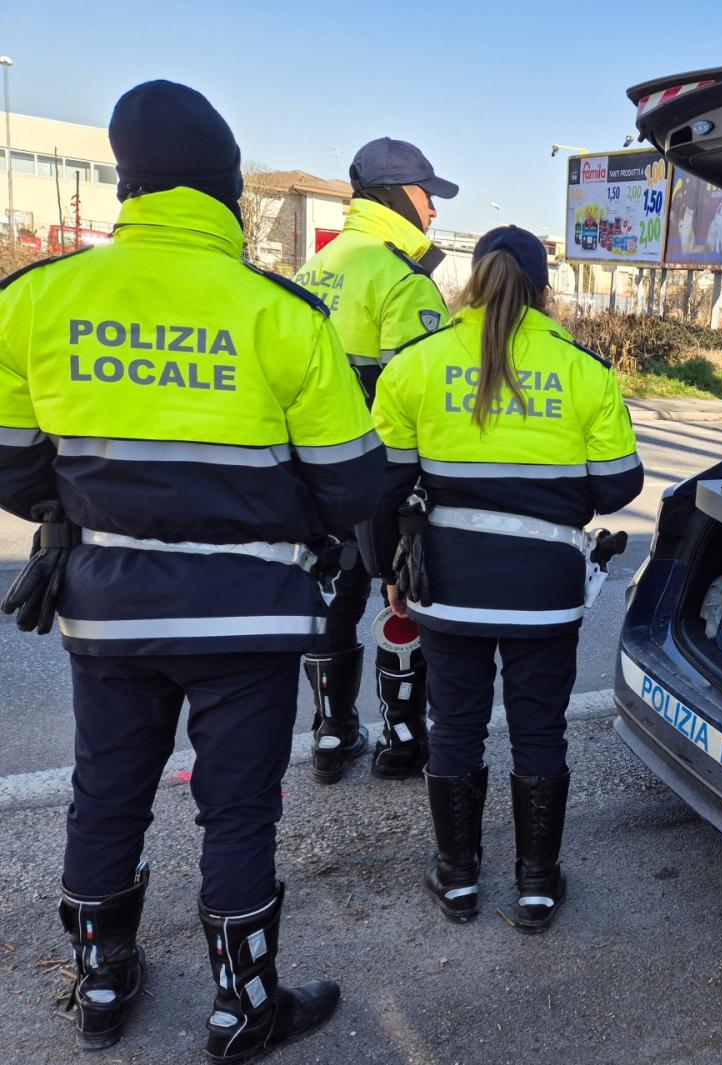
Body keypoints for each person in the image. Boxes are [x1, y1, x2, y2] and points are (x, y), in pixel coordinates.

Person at [0, 82, 382, 1058]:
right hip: (246, 614)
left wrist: (86, 509)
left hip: (109, 605)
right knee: (239, 807)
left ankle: (99, 983)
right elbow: (350, 486)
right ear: (225, 193)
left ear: (129, 185)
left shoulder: (36, 299)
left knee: (107, 791)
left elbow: (12, 465)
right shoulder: (280, 312)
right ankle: (244, 1007)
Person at [370, 226, 643, 932]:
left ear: (471, 282)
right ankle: (536, 884)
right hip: (545, 595)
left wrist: (386, 574)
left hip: (445, 586)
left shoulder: (416, 365)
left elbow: (384, 486)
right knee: (538, 729)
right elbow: (618, 488)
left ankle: (458, 878)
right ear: (543, 289)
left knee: (453, 726)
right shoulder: (584, 370)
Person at [291, 137, 456, 785]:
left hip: (312, 473)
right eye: (428, 196)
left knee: (334, 596)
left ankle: (330, 734)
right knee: (402, 595)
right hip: (379, 474)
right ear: (398, 197)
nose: (434, 212)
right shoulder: (399, 279)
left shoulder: (316, 269)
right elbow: (422, 399)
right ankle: (401, 737)